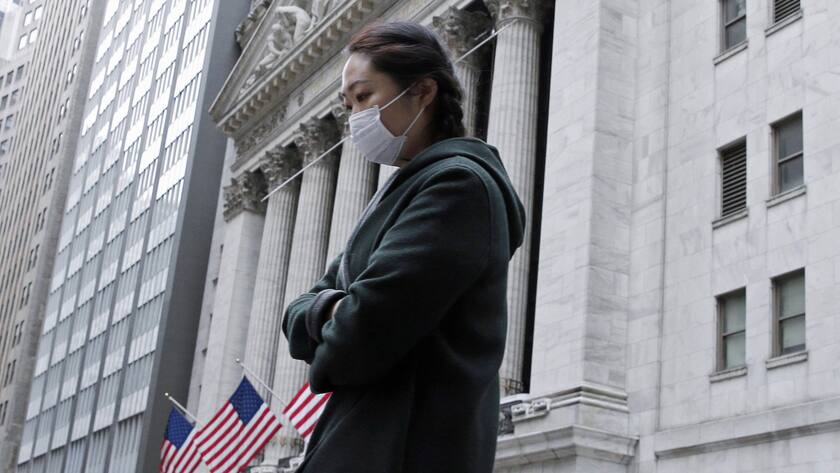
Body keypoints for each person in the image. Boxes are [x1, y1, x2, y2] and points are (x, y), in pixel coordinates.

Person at [281, 20, 526, 473]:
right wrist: (334, 310)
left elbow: (358, 338)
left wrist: (332, 315)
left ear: (422, 92)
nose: (355, 117)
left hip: (404, 451)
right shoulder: (400, 194)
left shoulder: (457, 185)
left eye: (364, 96)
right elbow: (297, 312)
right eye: (348, 103)